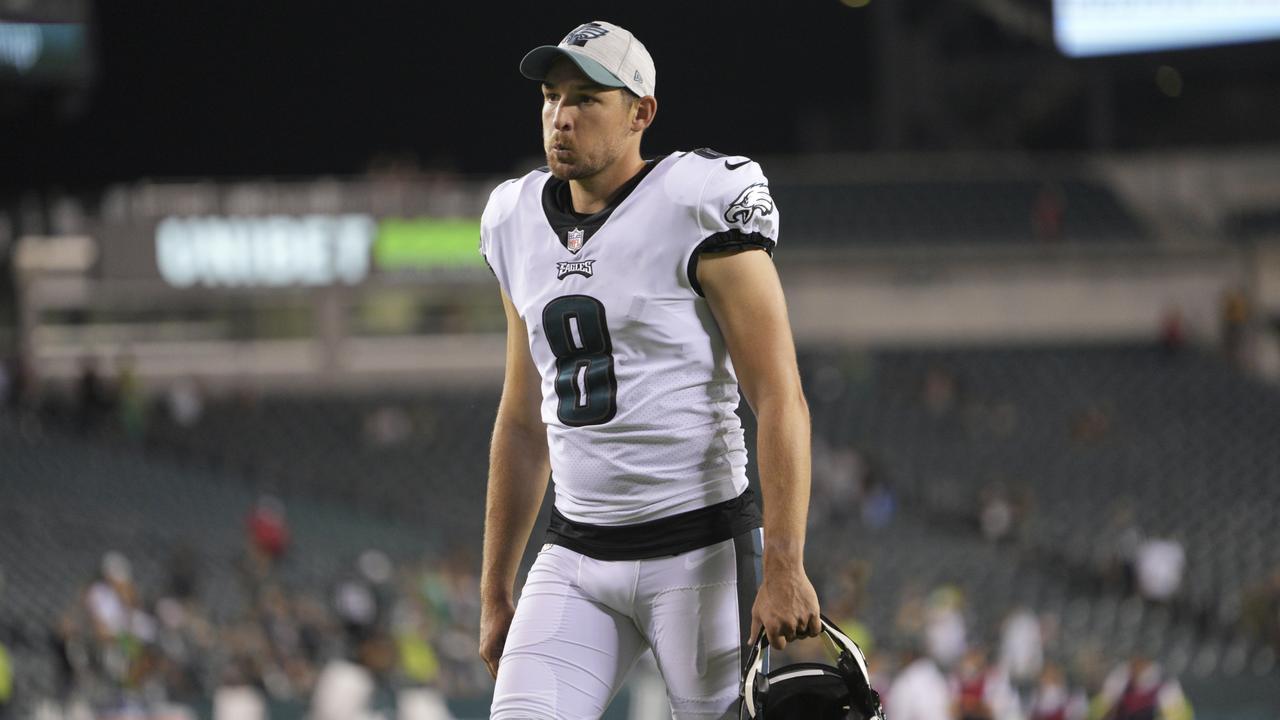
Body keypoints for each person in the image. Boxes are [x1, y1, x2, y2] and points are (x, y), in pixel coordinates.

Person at [477, 20, 820, 720]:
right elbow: (522, 420)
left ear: (641, 112)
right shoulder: (514, 219)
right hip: (575, 553)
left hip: (699, 550)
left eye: (586, 98)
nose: (560, 116)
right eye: (550, 96)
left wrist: (784, 561)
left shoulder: (696, 203)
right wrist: (495, 590)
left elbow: (779, 395)